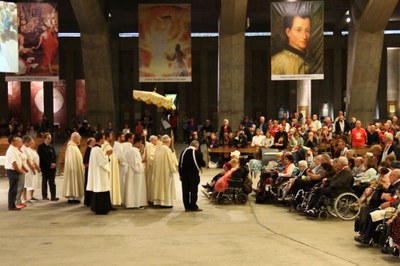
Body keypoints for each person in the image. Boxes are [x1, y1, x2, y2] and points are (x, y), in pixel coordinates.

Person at [86, 133, 113, 215]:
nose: (104, 140)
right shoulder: (97, 150)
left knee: (99, 190)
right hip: (100, 174)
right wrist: (108, 155)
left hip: (98, 173)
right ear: (100, 139)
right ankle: (102, 209)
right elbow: (102, 162)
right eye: (103, 138)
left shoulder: (94, 149)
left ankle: (100, 208)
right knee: (102, 189)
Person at [179, 140, 206, 212]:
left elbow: (180, 164)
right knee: (193, 191)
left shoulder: (183, 152)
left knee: (185, 191)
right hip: (193, 175)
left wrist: (180, 174)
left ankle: (187, 207)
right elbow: (203, 164)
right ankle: (193, 206)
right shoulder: (197, 153)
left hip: (184, 175)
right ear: (197, 146)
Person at [153, 135, 178, 208]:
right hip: (166, 172)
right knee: (166, 187)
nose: (170, 143)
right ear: (167, 141)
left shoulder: (158, 148)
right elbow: (171, 161)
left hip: (159, 172)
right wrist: (173, 154)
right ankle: (166, 203)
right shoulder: (167, 150)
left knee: (160, 186)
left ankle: (160, 202)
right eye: (170, 142)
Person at [124, 138, 147, 209]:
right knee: (136, 188)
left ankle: (132, 203)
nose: (141, 144)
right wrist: (142, 167)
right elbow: (135, 164)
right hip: (136, 173)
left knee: (132, 188)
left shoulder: (130, 150)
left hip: (131, 172)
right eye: (140, 143)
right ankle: (136, 203)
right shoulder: (134, 152)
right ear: (136, 143)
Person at [62, 132, 85, 204]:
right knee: (72, 182)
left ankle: (75, 197)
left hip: (76, 168)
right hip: (73, 169)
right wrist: (72, 168)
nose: (79, 140)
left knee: (75, 182)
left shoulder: (74, 146)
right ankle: (71, 197)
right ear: (74, 137)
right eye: (78, 138)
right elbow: (70, 159)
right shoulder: (70, 147)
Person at [5, 136, 26, 210]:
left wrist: (22, 168)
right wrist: (19, 170)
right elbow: (14, 163)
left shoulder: (15, 149)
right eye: (17, 141)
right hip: (12, 171)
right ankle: (11, 206)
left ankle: (13, 205)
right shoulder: (11, 150)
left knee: (15, 188)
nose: (18, 142)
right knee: (13, 189)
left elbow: (19, 159)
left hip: (15, 170)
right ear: (12, 142)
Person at [37, 133, 58, 201]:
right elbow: (42, 157)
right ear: (44, 139)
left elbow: (55, 156)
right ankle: (44, 196)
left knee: (52, 182)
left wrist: (54, 163)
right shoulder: (40, 147)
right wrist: (50, 164)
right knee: (44, 182)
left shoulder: (51, 147)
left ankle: (53, 196)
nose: (50, 139)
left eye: (50, 138)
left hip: (52, 168)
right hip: (45, 167)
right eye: (48, 138)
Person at [103, 132, 121, 206]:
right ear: (107, 137)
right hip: (110, 169)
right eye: (110, 136)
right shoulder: (106, 146)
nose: (112, 137)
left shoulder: (107, 145)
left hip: (112, 168)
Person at [145, 135, 158, 204]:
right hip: (151, 168)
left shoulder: (153, 146)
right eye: (156, 140)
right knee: (150, 183)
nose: (157, 141)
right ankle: (150, 197)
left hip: (151, 168)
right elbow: (151, 157)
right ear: (152, 140)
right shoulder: (151, 146)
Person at [83, 137, 95, 207]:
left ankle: (89, 201)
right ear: (90, 142)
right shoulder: (89, 149)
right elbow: (85, 161)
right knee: (88, 184)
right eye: (93, 141)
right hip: (89, 170)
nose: (94, 142)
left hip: (89, 169)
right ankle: (88, 201)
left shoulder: (91, 149)